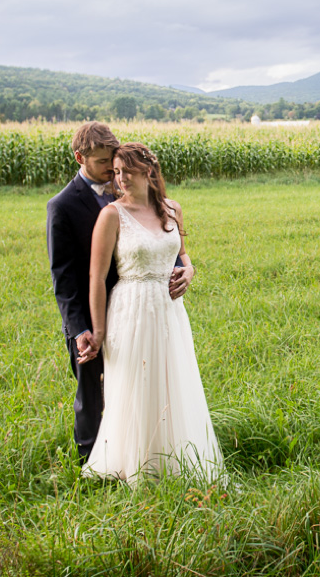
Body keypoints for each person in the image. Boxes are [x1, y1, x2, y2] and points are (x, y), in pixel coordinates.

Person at [46, 122, 193, 463]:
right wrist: (82, 329)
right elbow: (64, 278)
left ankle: (153, 450)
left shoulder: (125, 191)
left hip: (147, 306)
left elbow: (165, 243)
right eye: (104, 164)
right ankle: (91, 461)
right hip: (92, 311)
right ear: (80, 158)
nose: (115, 174)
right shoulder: (63, 205)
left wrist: (187, 268)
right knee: (92, 392)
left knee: (143, 384)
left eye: (118, 165)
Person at [79, 142, 225, 484]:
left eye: (127, 171)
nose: (120, 178)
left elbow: (183, 253)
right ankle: (138, 467)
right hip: (131, 308)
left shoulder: (172, 209)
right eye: (116, 172)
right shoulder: (112, 214)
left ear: (148, 171)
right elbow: (97, 277)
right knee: (137, 386)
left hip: (170, 309)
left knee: (174, 380)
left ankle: (177, 461)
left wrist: (189, 270)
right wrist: (98, 332)